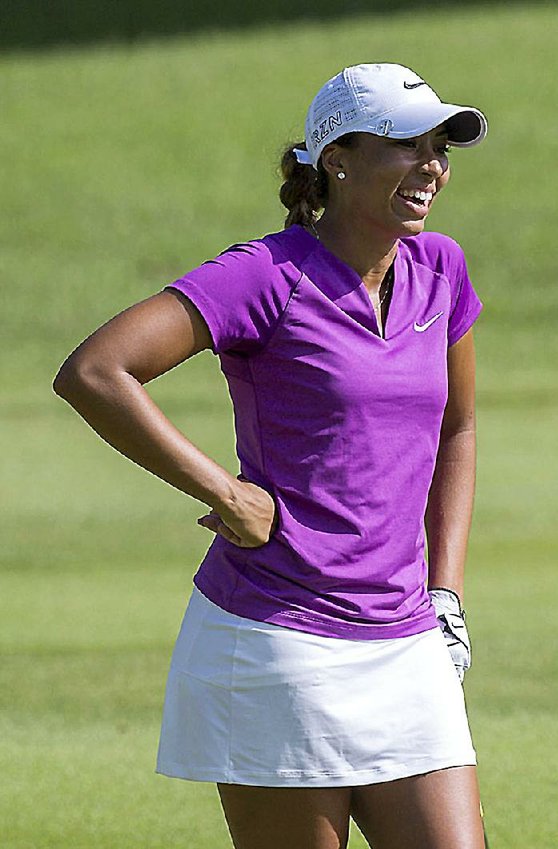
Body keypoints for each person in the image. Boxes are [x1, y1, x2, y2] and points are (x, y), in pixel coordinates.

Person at [54, 62, 488, 849]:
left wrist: (446, 594)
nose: (432, 165)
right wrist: (228, 492)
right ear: (338, 158)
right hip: (277, 645)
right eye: (406, 144)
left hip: (405, 644)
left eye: (439, 147)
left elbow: (456, 428)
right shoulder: (267, 274)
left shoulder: (441, 269)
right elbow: (96, 371)